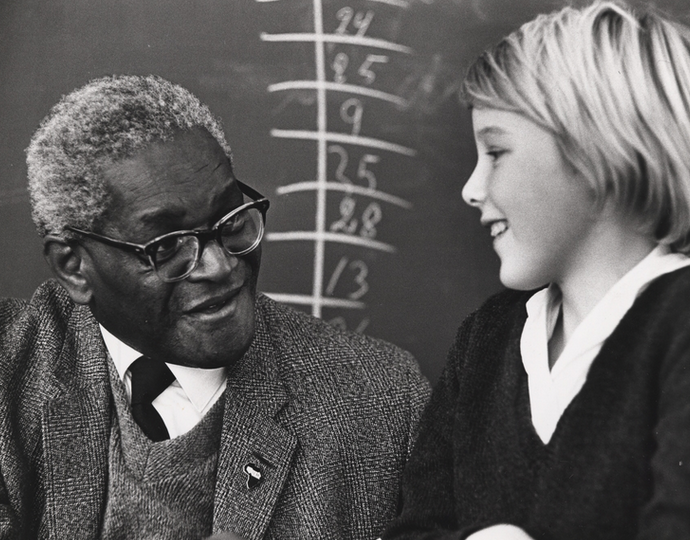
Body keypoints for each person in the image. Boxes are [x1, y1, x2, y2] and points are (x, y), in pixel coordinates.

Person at [0, 74, 430, 540]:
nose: (220, 266)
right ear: (74, 268)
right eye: (166, 246)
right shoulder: (10, 373)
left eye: (230, 220)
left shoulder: (381, 400)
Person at [382, 2, 690, 539]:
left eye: (496, 152)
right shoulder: (486, 340)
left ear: (597, 156)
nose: (471, 188)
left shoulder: (677, 325)